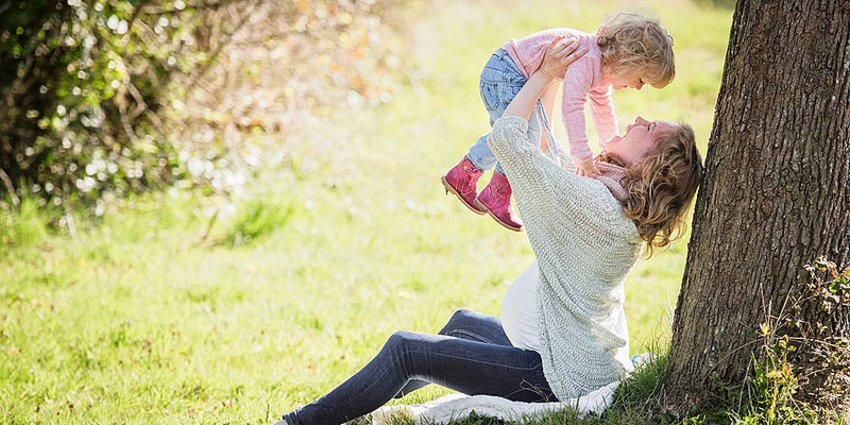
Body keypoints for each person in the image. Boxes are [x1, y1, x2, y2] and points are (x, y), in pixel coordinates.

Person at [277, 36, 702, 425]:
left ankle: (298, 423)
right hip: (565, 356)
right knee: (461, 323)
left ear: (651, 166)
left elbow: (510, 140)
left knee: (406, 349)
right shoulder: (610, 199)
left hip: (557, 378)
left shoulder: (596, 207)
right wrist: (556, 77)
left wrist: (540, 75)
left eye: (648, 129)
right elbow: (544, 152)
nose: (640, 117)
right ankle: (359, 405)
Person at [441, 13, 675, 231]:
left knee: (518, 134)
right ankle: (495, 191)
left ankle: (465, 175)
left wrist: (610, 144)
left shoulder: (601, 69)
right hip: (506, 73)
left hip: (512, 74)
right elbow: (572, 107)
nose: (636, 87)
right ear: (629, 61)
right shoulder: (588, 59)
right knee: (518, 135)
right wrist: (582, 157)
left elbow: (602, 108)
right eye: (641, 80)